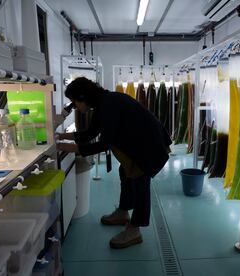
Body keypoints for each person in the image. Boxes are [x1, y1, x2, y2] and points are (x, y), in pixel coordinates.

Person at [56, 77, 171, 249]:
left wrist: (69, 148)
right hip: (139, 143)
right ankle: (123, 211)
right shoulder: (102, 103)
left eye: (74, 102)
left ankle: (135, 229)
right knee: (125, 172)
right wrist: (61, 137)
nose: (76, 107)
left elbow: (104, 143)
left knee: (140, 181)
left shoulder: (109, 104)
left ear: (83, 96)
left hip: (150, 146)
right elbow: (90, 133)